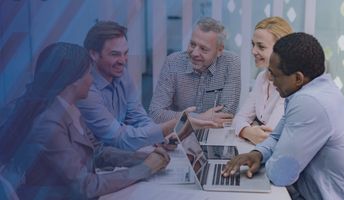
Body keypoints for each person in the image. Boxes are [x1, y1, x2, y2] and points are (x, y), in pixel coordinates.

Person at [0, 43, 170, 199]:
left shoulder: (70, 108)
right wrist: (144, 169)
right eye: (89, 74)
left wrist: (141, 158)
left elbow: (97, 153)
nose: (92, 80)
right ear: (73, 81)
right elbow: (85, 186)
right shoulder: (47, 124)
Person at [222, 33, 344, 199]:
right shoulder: (315, 88)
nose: (272, 81)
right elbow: (275, 137)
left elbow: (280, 175)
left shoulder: (309, 102)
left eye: (275, 75)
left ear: (298, 78)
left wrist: (269, 159)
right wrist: (257, 154)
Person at [77, 21, 176, 151]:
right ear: (94, 54)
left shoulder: (121, 74)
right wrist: (167, 127)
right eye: (115, 54)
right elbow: (118, 137)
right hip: (98, 162)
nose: (123, 61)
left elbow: (137, 117)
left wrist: (161, 138)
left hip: (121, 155)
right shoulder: (86, 91)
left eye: (125, 53)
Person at [149, 17, 241, 127]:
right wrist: (198, 118)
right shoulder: (173, 62)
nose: (194, 53)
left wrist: (183, 117)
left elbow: (226, 116)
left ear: (219, 50)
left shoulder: (231, 63)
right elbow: (156, 113)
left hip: (214, 133)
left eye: (203, 49)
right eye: (192, 44)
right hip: (179, 133)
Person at [233, 16, 292, 144]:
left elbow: (269, 135)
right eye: (253, 45)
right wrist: (248, 131)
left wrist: (249, 128)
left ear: (281, 50)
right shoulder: (262, 77)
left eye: (261, 46)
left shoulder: (289, 84)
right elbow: (239, 118)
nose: (254, 51)